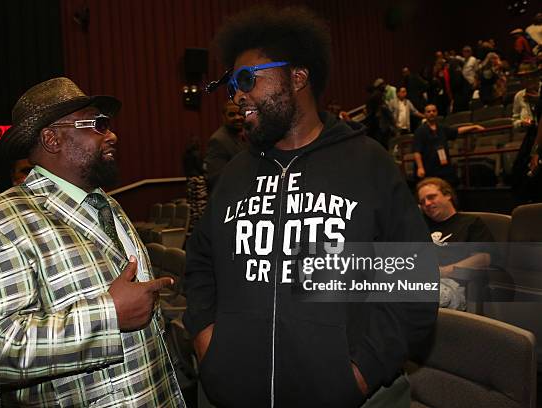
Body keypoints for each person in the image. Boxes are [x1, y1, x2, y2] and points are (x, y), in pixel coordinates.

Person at [185, 6, 438, 407]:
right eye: (231, 84)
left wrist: (358, 373)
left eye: (246, 79)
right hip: (232, 393)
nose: (236, 96)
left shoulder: (367, 162)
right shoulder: (234, 173)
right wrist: (207, 342)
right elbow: (200, 262)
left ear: (298, 76)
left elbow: (414, 282)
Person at [0, 78, 185, 407]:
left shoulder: (107, 203)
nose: (111, 134)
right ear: (52, 139)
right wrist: (109, 315)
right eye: (97, 125)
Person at [417, 178, 494, 310]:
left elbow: (484, 258)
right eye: (422, 202)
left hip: (452, 284)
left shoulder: (471, 222)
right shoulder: (421, 226)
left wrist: (444, 271)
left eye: (431, 197)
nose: (427, 203)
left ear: (448, 195)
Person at [413, 104, 484, 187]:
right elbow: (417, 151)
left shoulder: (442, 128)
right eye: (429, 111)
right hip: (429, 168)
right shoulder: (420, 131)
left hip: (444, 167)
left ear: (437, 113)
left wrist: (473, 127)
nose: (431, 113)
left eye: (434, 111)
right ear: (425, 114)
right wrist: (420, 167)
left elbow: (457, 131)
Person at [204, 100, 247, 192]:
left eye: (240, 113)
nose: (237, 117)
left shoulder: (247, 135)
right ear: (224, 117)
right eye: (232, 114)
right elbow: (216, 179)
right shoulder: (218, 140)